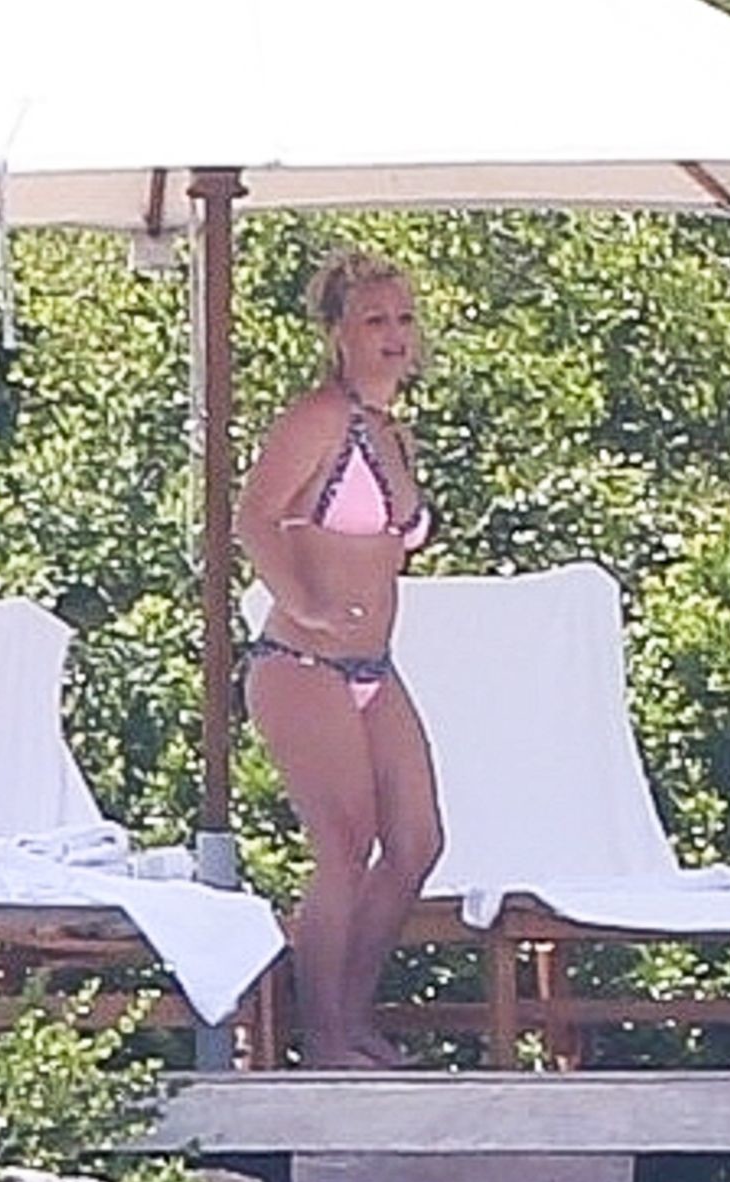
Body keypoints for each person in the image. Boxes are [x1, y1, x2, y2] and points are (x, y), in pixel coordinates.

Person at [233, 249, 444, 1069]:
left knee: (417, 841)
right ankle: (321, 1038)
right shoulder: (318, 418)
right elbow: (255, 517)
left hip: (373, 666)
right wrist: (305, 601)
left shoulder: (391, 433)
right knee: (345, 845)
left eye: (404, 319)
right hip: (303, 663)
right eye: (375, 321)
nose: (395, 336)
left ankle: (350, 1015)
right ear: (338, 334)